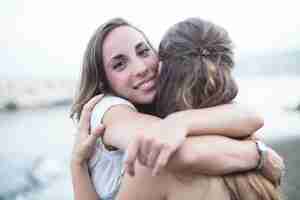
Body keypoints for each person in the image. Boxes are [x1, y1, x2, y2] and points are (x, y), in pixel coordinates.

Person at [70, 18, 284, 200]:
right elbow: (166, 152)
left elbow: (251, 116)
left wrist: (181, 122)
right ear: (103, 82)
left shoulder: (169, 114)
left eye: (143, 52)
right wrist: (258, 155)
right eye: (119, 64)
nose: (141, 68)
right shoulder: (108, 109)